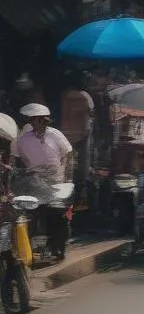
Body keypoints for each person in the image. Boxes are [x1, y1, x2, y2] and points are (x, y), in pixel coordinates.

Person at [11, 103, 74, 259]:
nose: (43, 123)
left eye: (45, 120)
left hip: (57, 182)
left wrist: (68, 177)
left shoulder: (56, 135)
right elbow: (18, 161)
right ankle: (37, 248)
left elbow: (69, 155)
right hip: (35, 183)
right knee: (35, 214)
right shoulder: (23, 140)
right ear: (32, 121)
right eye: (39, 120)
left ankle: (58, 248)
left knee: (58, 216)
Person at [59, 76, 94, 201]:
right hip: (83, 132)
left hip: (66, 132)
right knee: (83, 160)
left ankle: (67, 183)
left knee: (66, 160)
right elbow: (91, 112)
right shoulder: (85, 95)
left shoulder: (64, 95)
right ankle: (79, 186)